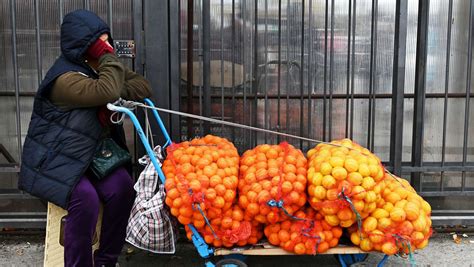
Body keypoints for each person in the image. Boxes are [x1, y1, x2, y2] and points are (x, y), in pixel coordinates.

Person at [18, 10, 151, 267]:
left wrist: (110, 81)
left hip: (90, 155)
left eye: (108, 41)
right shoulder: (65, 78)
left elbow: (142, 86)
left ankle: (105, 260)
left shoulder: (97, 68)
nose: (109, 47)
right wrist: (110, 73)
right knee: (86, 200)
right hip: (56, 159)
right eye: (102, 42)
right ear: (85, 45)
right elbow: (107, 90)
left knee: (123, 188)